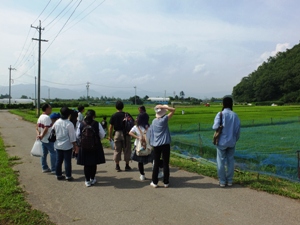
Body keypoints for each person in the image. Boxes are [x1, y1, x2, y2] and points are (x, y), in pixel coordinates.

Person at [212, 97, 240, 187]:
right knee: (230, 161)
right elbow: (237, 130)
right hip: (232, 142)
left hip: (221, 142)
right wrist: (235, 139)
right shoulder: (235, 115)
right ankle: (230, 180)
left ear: (223, 104)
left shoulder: (220, 114)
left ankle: (222, 181)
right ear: (231, 104)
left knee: (220, 161)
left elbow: (215, 127)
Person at [76, 109, 106, 187]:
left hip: (84, 146)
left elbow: (77, 135)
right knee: (93, 163)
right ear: (93, 116)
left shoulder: (81, 124)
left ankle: (87, 180)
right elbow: (102, 134)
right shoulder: (97, 123)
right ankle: (92, 179)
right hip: (95, 145)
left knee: (86, 164)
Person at [150, 104, 176, 188]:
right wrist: (164, 107)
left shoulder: (154, 121)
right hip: (165, 145)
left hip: (156, 145)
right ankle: (166, 182)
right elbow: (173, 110)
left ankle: (154, 182)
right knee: (165, 163)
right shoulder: (164, 119)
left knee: (156, 163)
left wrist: (160, 107)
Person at [53, 106, 78, 181]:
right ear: (68, 115)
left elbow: (53, 132)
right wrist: (74, 145)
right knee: (67, 161)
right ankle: (68, 176)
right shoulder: (69, 124)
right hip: (67, 145)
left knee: (58, 160)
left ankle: (58, 175)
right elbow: (72, 137)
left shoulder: (56, 122)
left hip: (58, 144)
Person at [109, 101, 132, 172]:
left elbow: (110, 127)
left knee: (117, 149)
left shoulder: (114, 115)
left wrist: (109, 136)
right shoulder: (127, 115)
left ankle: (117, 165)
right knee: (127, 149)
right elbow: (133, 123)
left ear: (116, 107)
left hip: (117, 133)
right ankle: (127, 165)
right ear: (123, 106)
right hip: (126, 133)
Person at [129, 113, 153, 180]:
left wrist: (137, 137)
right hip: (148, 146)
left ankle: (142, 175)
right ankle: (157, 172)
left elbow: (130, 133)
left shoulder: (136, 127)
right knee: (153, 160)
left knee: (140, 161)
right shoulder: (150, 127)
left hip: (138, 146)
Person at [36, 103, 56, 173]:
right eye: (50, 108)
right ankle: (54, 169)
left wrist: (39, 135)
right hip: (48, 138)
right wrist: (42, 135)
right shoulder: (47, 117)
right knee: (53, 153)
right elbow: (46, 128)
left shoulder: (40, 116)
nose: (51, 109)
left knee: (44, 153)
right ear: (47, 109)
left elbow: (37, 127)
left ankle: (44, 167)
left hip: (42, 139)